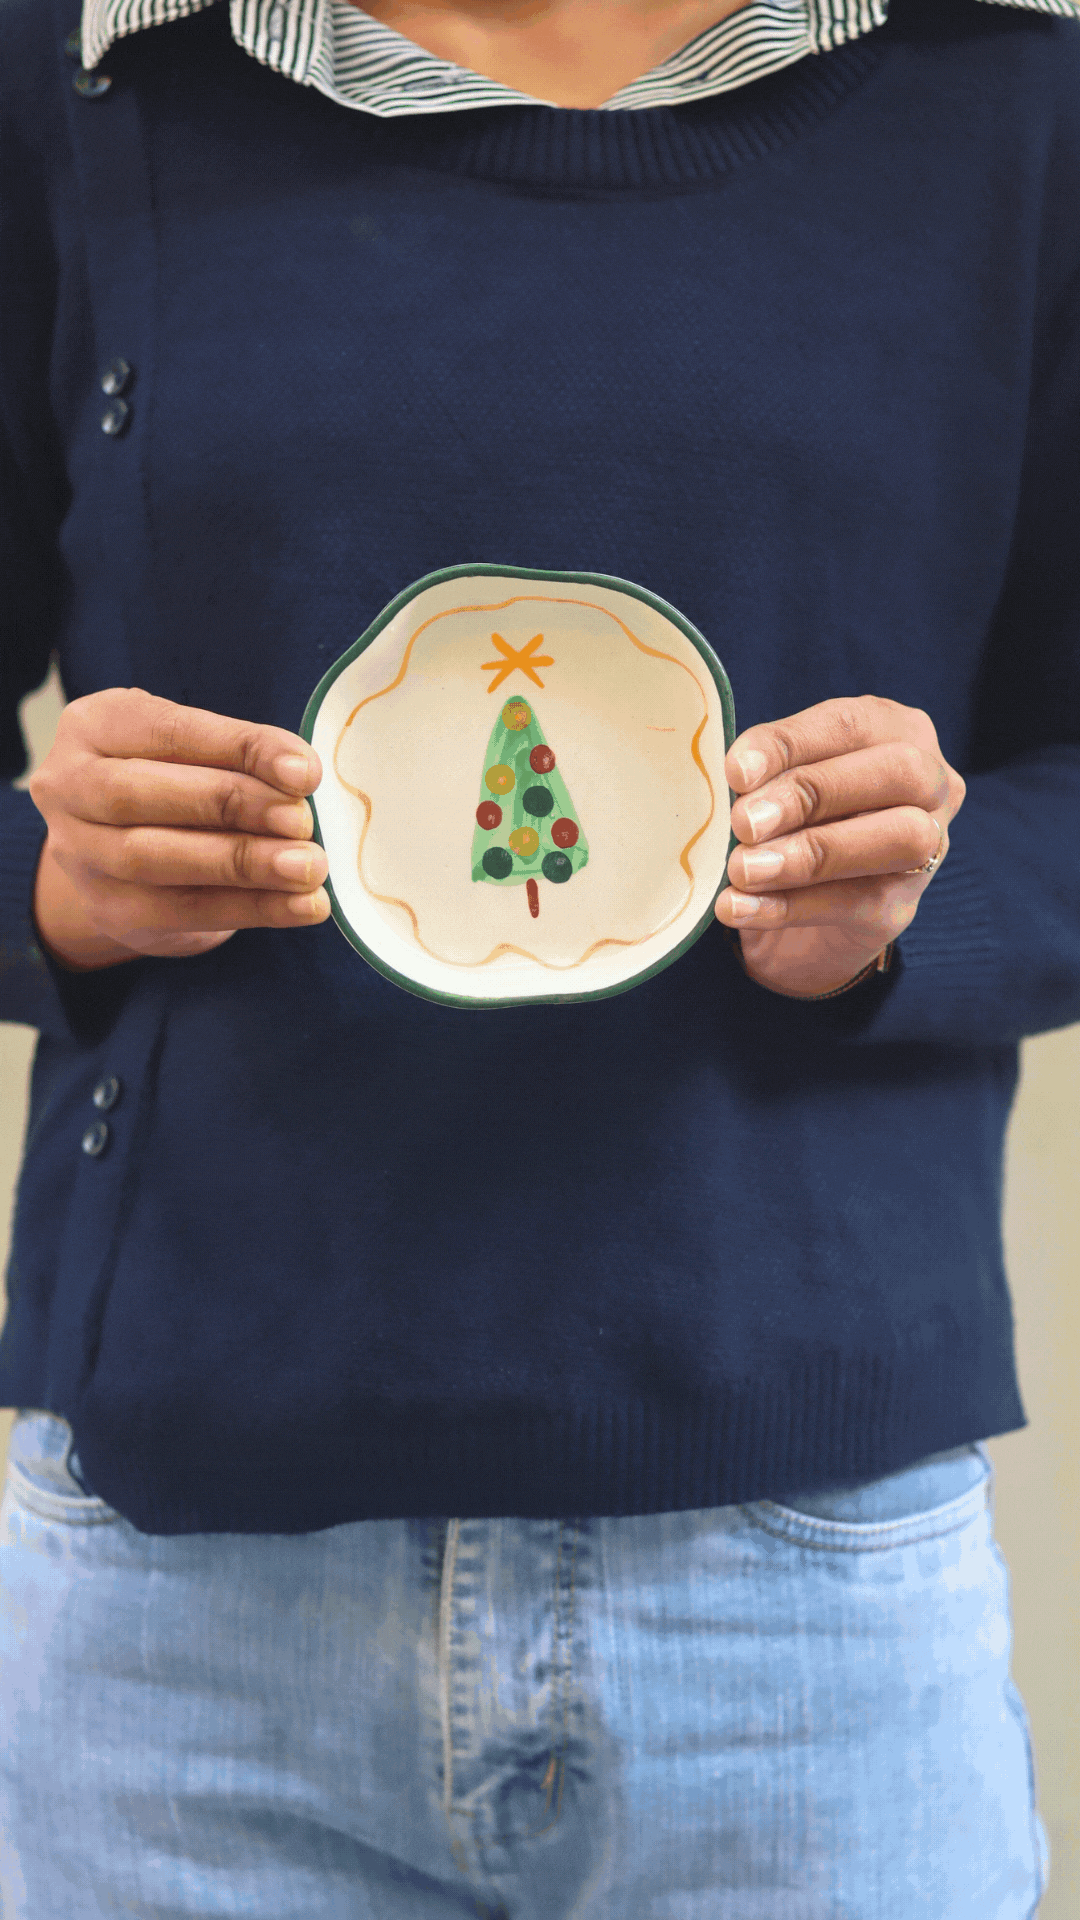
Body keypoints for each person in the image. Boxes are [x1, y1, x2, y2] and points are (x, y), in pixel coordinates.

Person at [1, 0, 1077, 1912]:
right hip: (178, 1613)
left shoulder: (1015, 114)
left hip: (805, 1590)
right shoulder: (77, 87)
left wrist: (933, 901)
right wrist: (50, 883)